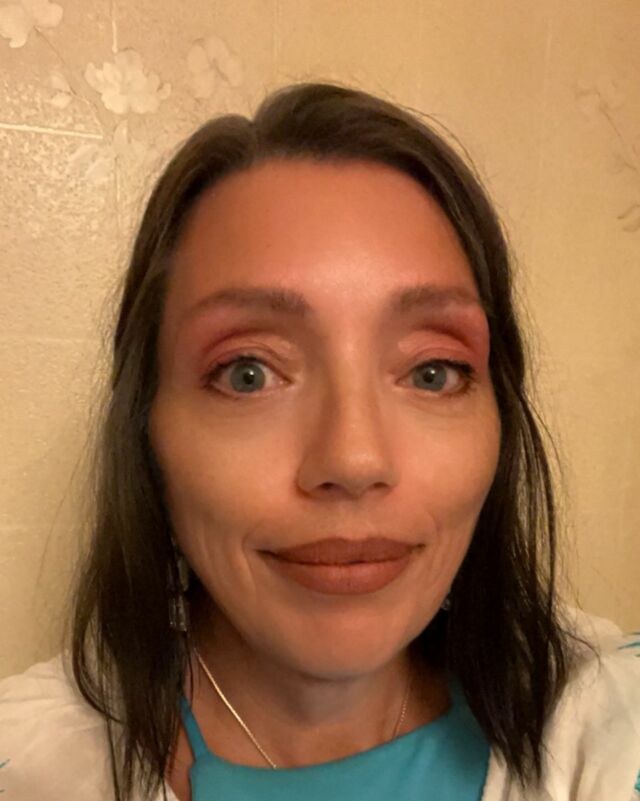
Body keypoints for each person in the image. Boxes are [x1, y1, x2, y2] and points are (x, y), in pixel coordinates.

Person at [0, 82, 638, 801]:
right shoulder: (31, 767)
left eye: (432, 371)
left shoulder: (606, 719)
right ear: (148, 432)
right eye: (247, 373)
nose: (354, 460)